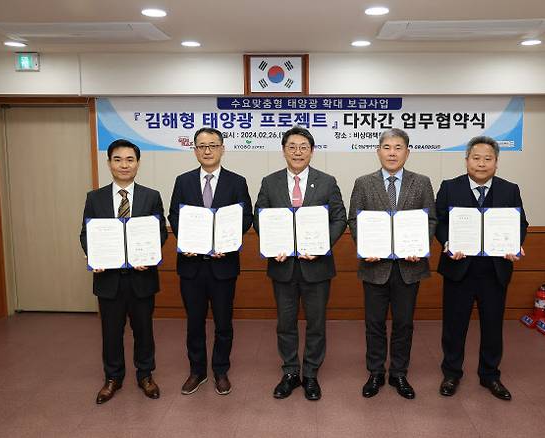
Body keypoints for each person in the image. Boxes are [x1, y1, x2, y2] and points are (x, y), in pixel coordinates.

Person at [253, 126, 347, 401]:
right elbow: (260, 217)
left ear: (312, 151)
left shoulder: (327, 181)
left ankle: (311, 374)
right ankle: (291, 371)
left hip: (316, 266)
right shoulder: (270, 182)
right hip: (283, 266)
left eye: (303, 147)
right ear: (283, 150)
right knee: (285, 323)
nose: (297, 152)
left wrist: (321, 246)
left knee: (316, 323)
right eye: (292, 146)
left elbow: (339, 218)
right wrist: (273, 244)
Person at [435, 135, 528, 401]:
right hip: (458, 267)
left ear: (496, 163)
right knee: (454, 325)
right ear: (466, 160)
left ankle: (490, 375)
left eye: (488, 159)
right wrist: (448, 241)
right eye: (476, 158)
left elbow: (520, 223)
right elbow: (440, 222)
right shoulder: (450, 187)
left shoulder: (510, 189)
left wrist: (516, 244)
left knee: (493, 325)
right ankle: (451, 373)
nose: (481, 163)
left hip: (494, 270)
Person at [347, 128, 436, 399]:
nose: (392, 152)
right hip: (375, 267)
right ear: (378, 151)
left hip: (409, 268)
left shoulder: (421, 182)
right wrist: (366, 248)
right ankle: (375, 372)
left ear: (407, 152)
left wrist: (419, 248)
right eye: (387, 147)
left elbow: (430, 220)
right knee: (374, 323)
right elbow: (354, 220)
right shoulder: (363, 182)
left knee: (404, 323)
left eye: (398, 147)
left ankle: (399, 373)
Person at [80, 139, 168, 404]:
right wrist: (93, 254)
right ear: (109, 164)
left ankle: (145, 375)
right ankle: (113, 378)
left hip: (142, 277)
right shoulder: (94, 198)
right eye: (118, 159)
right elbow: (86, 233)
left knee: (144, 330)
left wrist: (149, 255)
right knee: (111, 331)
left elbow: (159, 232)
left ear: (137, 163)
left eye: (130, 159)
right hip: (108, 279)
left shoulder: (151, 196)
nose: (124, 165)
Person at [168, 127, 253, 396]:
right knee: (194, 322)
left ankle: (220, 370)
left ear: (222, 148)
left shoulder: (237, 181)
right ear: (194, 150)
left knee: (223, 323)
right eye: (202, 146)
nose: (207, 150)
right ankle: (197, 371)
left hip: (223, 265)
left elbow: (246, 216)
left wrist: (226, 243)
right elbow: (174, 215)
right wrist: (188, 241)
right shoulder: (183, 181)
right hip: (191, 266)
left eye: (213, 145)